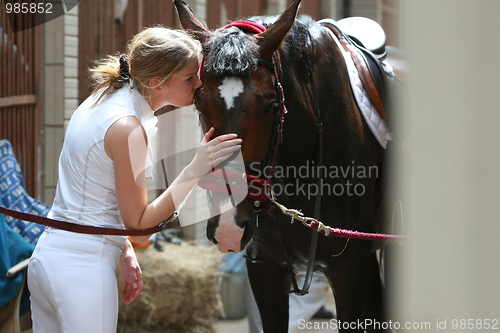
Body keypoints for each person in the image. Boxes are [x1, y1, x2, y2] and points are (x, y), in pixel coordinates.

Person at [27, 26, 242, 333]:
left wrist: (123, 249)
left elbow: (94, 193)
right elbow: (140, 228)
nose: (199, 83)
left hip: (48, 260)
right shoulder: (128, 127)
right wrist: (195, 168)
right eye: (189, 77)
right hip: (82, 275)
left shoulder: (102, 97)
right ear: (156, 83)